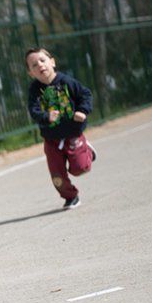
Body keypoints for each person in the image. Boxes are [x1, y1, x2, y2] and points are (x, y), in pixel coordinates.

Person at [26, 47, 96, 209]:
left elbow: (85, 94)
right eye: (34, 65)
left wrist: (82, 111)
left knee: (80, 169)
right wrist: (46, 116)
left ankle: (87, 152)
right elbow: (33, 109)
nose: (40, 65)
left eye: (42, 61)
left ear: (52, 62)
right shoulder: (34, 90)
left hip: (72, 133)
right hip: (51, 139)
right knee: (57, 175)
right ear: (30, 72)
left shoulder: (67, 81)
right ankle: (71, 196)